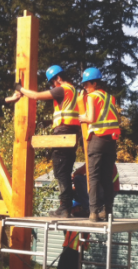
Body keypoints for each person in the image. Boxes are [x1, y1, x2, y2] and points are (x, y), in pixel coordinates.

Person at [15, 65, 80, 217]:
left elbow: (36, 96)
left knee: (61, 172)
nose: (52, 86)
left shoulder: (62, 88)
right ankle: (66, 206)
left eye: (52, 83)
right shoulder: (73, 90)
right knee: (65, 170)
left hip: (63, 136)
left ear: (58, 78)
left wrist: (20, 88)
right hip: (70, 133)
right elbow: (66, 115)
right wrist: (49, 123)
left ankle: (64, 207)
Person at [78, 68, 121, 222]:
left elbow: (91, 118)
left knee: (94, 176)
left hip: (97, 139)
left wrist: (81, 118)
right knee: (106, 177)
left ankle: (94, 213)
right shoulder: (110, 98)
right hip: (111, 141)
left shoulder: (92, 96)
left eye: (86, 84)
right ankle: (107, 211)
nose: (85, 88)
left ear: (94, 83)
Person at [55, 204, 89, 269]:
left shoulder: (83, 217)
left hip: (76, 252)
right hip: (67, 250)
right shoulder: (71, 217)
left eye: (74, 208)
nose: (72, 211)